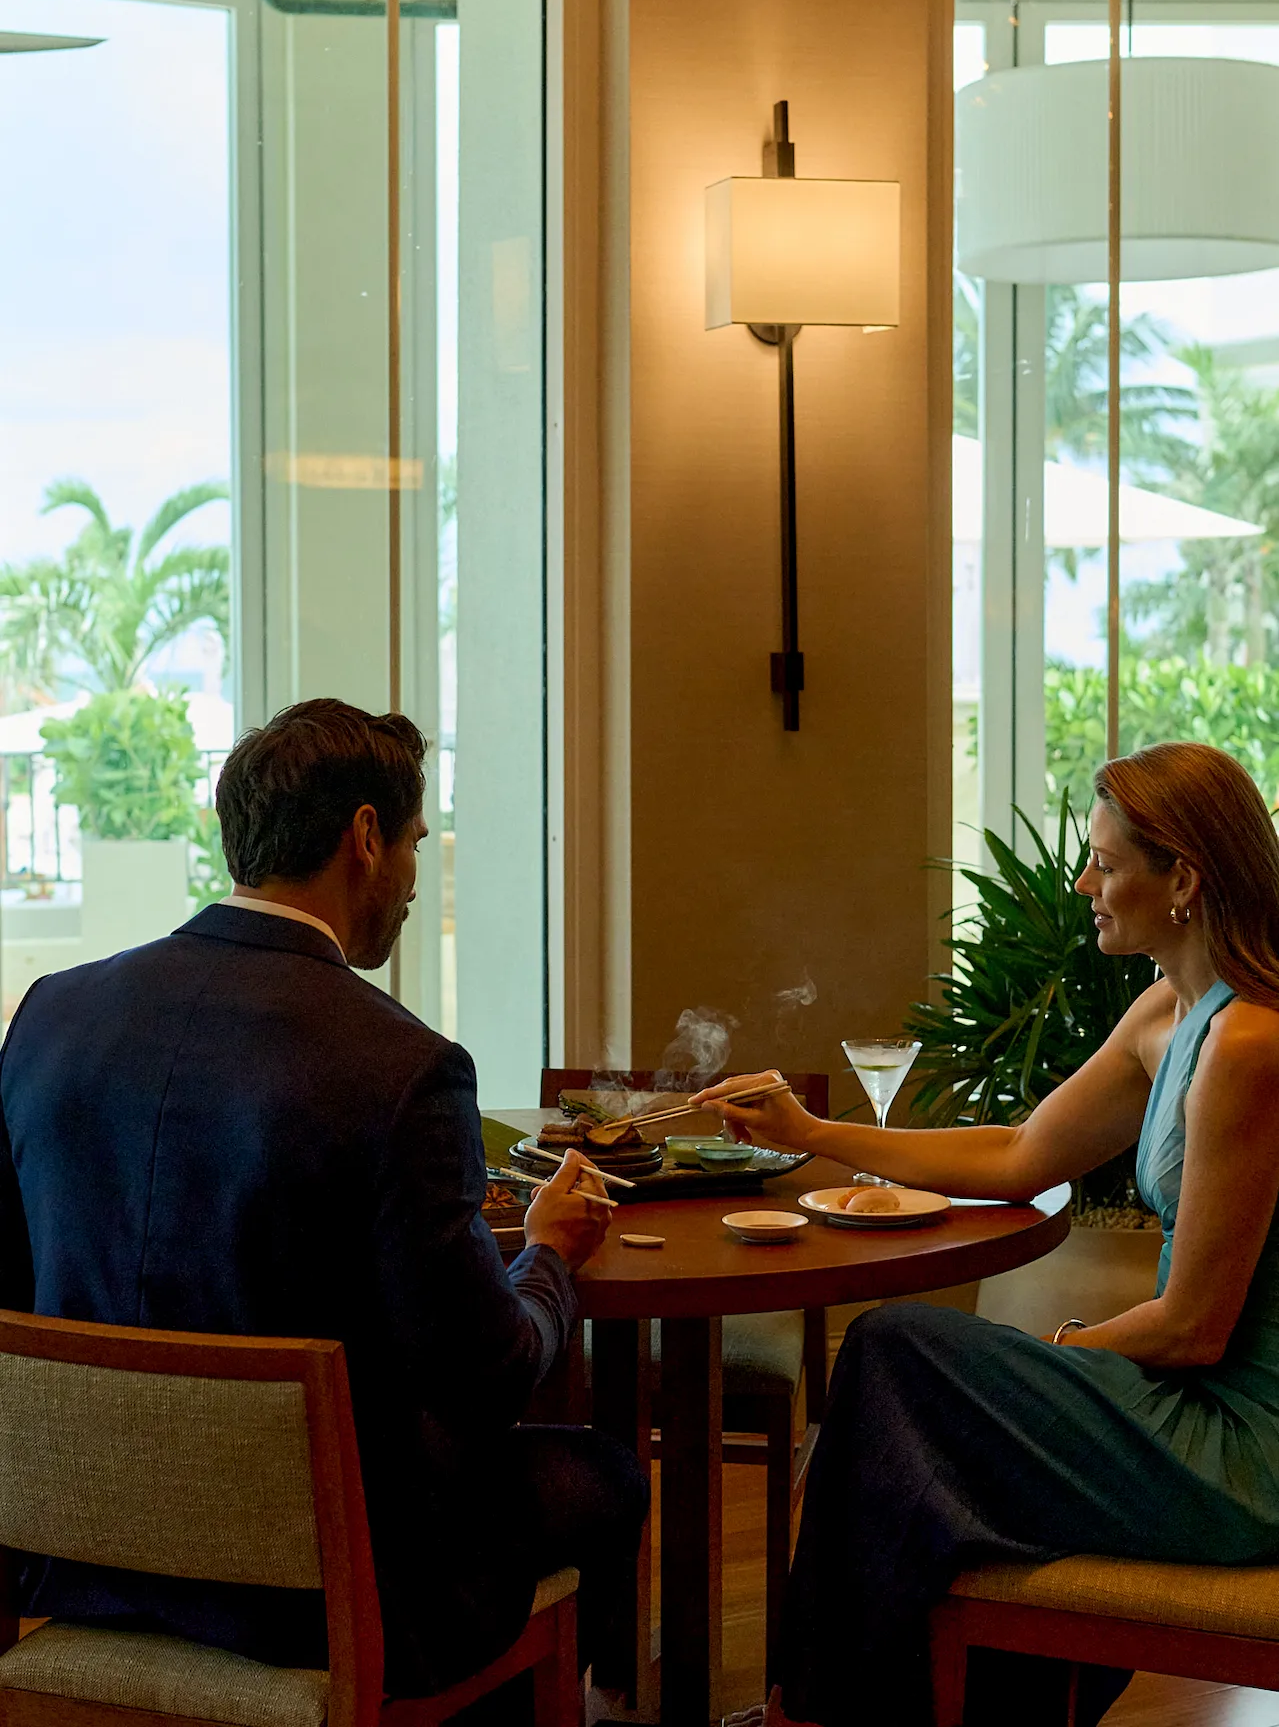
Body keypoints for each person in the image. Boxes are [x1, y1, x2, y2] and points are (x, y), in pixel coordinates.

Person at [0, 697, 647, 1701]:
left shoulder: (52, 1016)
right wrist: (549, 1255)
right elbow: (488, 1380)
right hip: (320, 1592)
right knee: (608, 1476)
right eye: (417, 841)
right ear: (363, 836)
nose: (413, 873)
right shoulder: (401, 1066)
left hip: (78, 1558)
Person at [697, 741, 1279, 1727]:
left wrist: (1057, 1353)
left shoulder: (1250, 1046)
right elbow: (1018, 1154)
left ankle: (809, 1710)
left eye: (1104, 861)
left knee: (893, 1352)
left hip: (1240, 1450)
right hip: (1179, 1398)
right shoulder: (1167, 1015)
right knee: (908, 1429)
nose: (1083, 882)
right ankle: (856, 1707)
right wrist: (810, 1132)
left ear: (1180, 876)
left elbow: (1194, 1332)